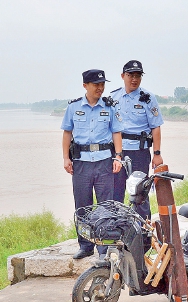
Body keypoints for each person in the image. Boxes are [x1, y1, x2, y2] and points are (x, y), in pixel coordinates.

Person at [61, 69, 123, 259]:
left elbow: (116, 132)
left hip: (104, 161)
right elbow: (66, 133)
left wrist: (118, 157)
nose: (100, 88)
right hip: (81, 163)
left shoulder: (109, 107)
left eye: (102, 84)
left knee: (105, 205)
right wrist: (65, 158)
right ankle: (85, 246)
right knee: (82, 204)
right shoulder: (73, 108)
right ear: (85, 86)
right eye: (96, 84)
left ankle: (103, 248)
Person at [110, 60, 163, 219]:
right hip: (118, 153)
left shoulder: (147, 98)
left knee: (140, 193)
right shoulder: (113, 97)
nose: (134, 79)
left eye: (137, 76)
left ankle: (144, 233)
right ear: (122, 76)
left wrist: (157, 153)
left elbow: (156, 127)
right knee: (116, 192)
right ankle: (117, 229)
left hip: (139, 152)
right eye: (130, 75)